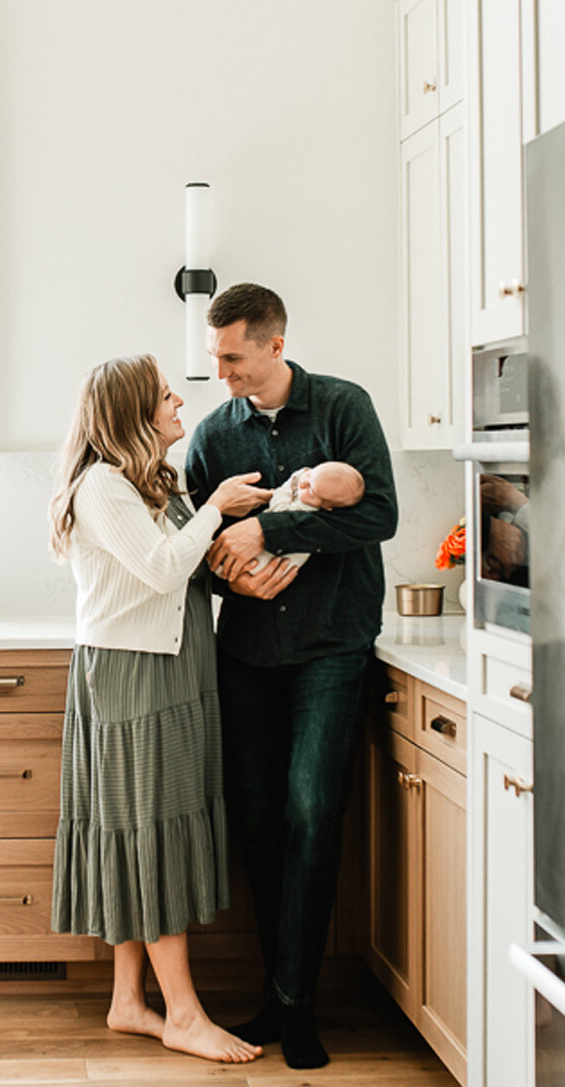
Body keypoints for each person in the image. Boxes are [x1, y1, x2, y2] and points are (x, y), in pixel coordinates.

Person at [184, 284, 398, 1071]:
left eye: (233, 357)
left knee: (312, 809)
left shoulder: (344, 407)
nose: (223, 373)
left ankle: (299, 1003)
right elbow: (193, 550)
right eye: (216, 358)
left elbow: (378, 515)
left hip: (332, 647)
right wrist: (232, 577)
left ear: (275, 344)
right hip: (246, 653)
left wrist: (269, 526)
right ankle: (277, 993)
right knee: (260, 820)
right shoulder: (213, 435)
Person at [48, 352, 284, 1065]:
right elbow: (160, 567)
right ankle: (182, 1015)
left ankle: (129, 1001)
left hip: (171, 669)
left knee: (140, 830)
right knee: (148, 833)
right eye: (162, 395)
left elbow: (186, 569)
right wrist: (216, 508)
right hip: (134, 676)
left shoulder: (149, 479)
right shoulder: (102, 486)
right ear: (131, 414)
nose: (179, 400)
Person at [213, 461, 366, 578]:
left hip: (272, 562)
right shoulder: (316, 497)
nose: (303, 483)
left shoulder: (304, 510)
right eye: (310, 474)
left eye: (311, 489)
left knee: (254, 564)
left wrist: (282, 488)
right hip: (281, 565)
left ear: (326, 507)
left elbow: (278, 508)